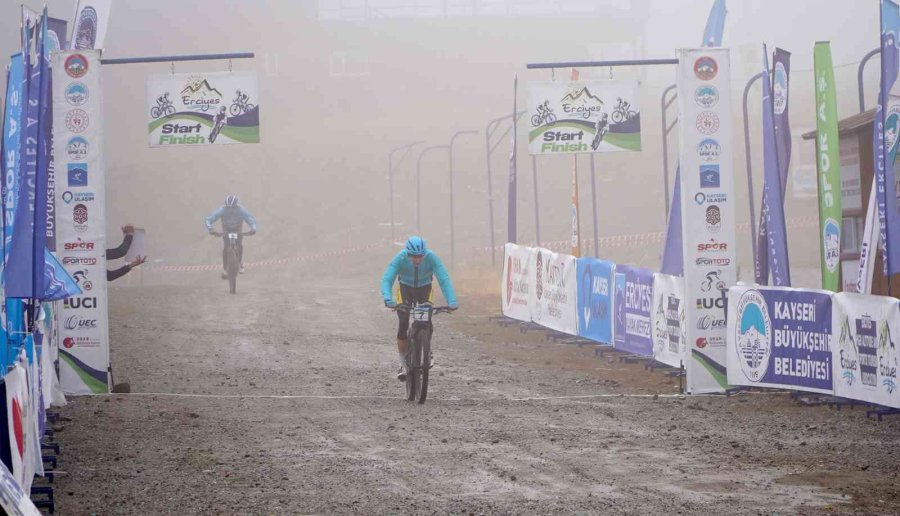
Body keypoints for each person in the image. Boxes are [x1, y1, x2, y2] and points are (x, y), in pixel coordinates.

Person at [380, 236, 458, 381]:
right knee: (403, 322)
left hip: (424, 289)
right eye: (413, 256)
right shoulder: (400, 258)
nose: (417, 260)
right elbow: (387, 279)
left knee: (426, 319)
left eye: (420, 256)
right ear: (407, 253)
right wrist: (388, 299)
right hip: (405, 289)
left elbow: (444, 279)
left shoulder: (431, 258)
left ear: (424, 253)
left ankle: (427, 349)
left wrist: (452, 301)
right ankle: (403, 363)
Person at [205, 195, 258, 278]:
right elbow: (209, 219)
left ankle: (240, 263)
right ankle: (225, 268)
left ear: (236, 206)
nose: (230, 209)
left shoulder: (241, 210)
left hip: (237, 230)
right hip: (226, 230)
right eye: (228, 208)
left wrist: (253, 229)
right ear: (225, 206)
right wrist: (211, 229)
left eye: (232, 208)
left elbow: (251, 219)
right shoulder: (222, 210)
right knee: (226, 247)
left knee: (239, 244)